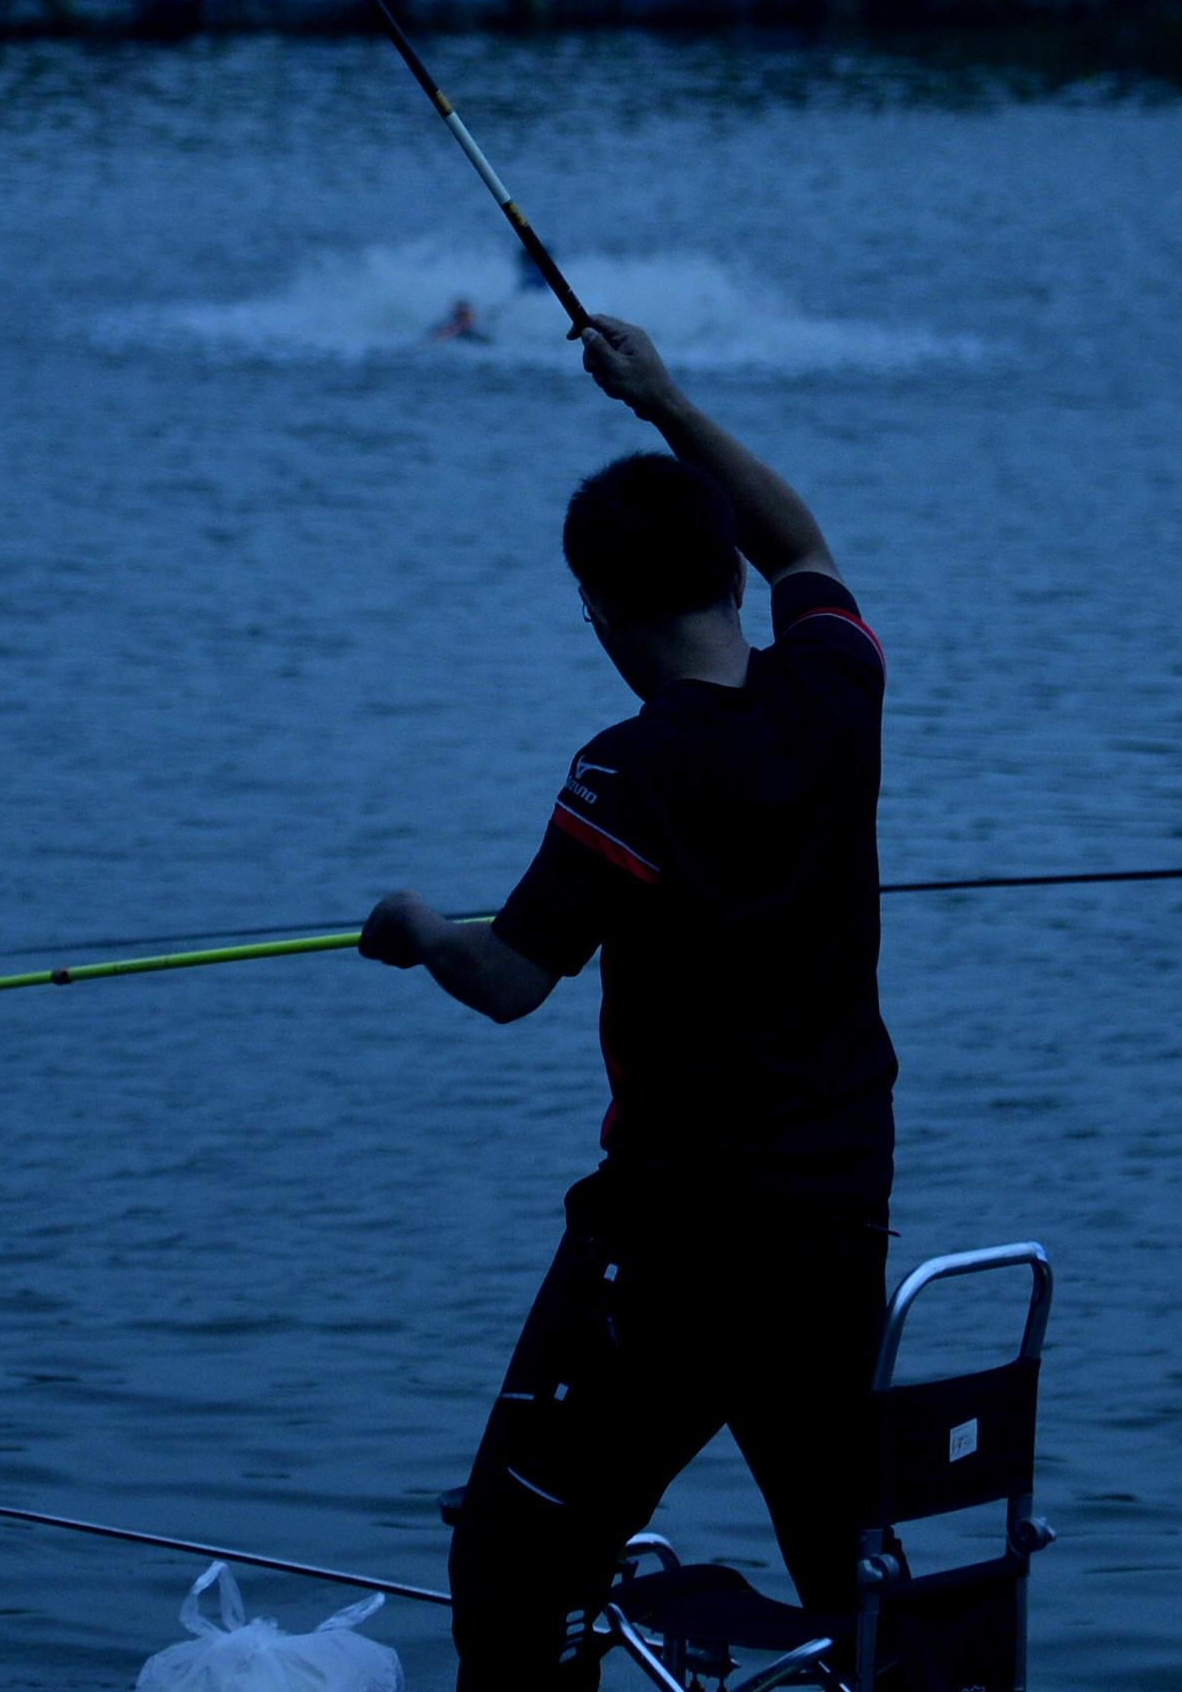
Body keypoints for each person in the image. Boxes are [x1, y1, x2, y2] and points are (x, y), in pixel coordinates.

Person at [360, 316, 895, 1687]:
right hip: (833, 1234)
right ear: (726, 571)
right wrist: (666, 401)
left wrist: (422, 926)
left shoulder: (630, 773)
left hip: (673, 1259)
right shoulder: (839, 690)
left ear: (600, 613)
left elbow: (509, 982)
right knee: (852, 1574)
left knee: (508, 1568)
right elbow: (805, 540)